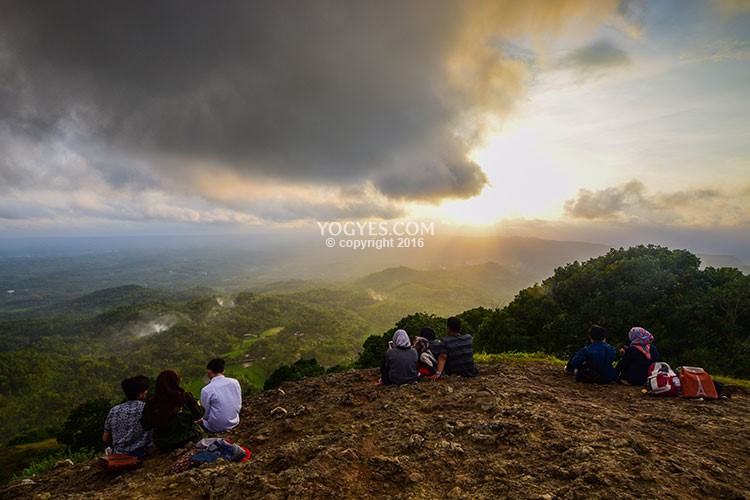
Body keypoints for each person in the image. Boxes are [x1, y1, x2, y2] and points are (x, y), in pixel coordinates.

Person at [140, 369, 203, 451]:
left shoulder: (152, 404)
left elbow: (146, 425)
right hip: (188, 437)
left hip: (163, 444)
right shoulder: (185, 398)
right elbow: (198, 415)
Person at [102, 376, 153, 458]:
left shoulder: (114, 410)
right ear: (140, 395)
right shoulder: (146, 408)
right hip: (140, 453)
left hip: (118, 455)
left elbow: (105, 438)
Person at [198, 358, 242, 433]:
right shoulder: (235, 382)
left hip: (216, 427)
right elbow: (238, 403)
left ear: (209, 371)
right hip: (235, 420)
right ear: (223, 371)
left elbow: (205, 414)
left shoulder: (207, 390)